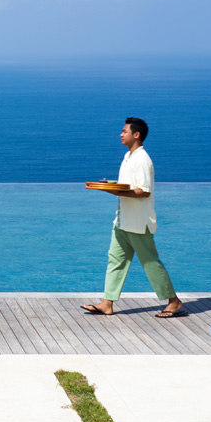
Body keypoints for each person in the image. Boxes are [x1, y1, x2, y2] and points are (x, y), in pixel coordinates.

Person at [81, 117, 185, 318]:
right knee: (115, 261)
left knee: (150, 263)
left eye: (124, 131)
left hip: (138, 223)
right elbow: (127, 186)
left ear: (136, 135)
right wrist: (112, 187)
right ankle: (107, 303)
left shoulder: (142, 160)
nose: (121, 134)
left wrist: (114, 191)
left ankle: (174, 302)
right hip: (122, 221)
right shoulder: (128, 156)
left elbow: (143, 191)